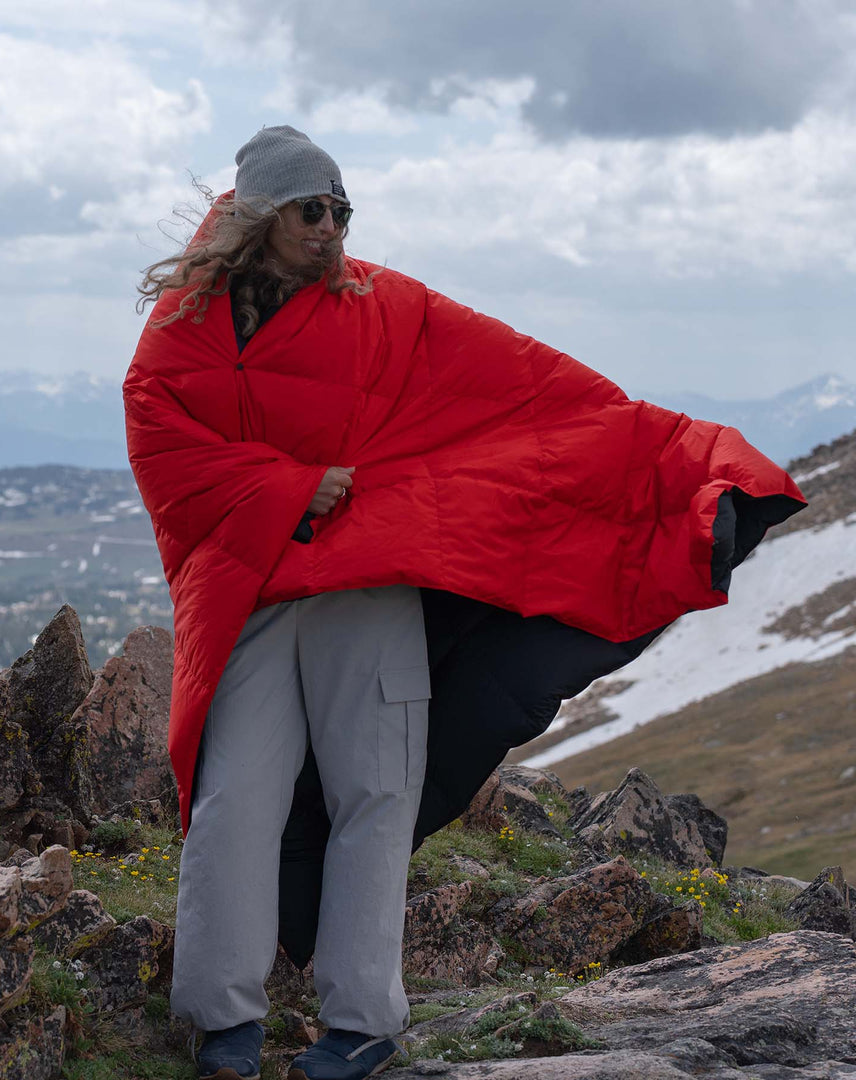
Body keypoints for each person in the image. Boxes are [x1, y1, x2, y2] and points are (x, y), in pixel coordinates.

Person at [123, 125, 805, 1080]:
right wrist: (292, 485)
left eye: (344, 211)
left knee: (377, 791)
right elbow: (162, 446)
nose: (333, 230)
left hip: (373, 587)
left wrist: (678, 462)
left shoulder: (382, 306)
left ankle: (362, 1025)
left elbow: (537, 395)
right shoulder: (185, 327)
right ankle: (223, 1023)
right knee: (237, 798)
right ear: (259, 218)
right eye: (313, 212)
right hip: (255, 592)